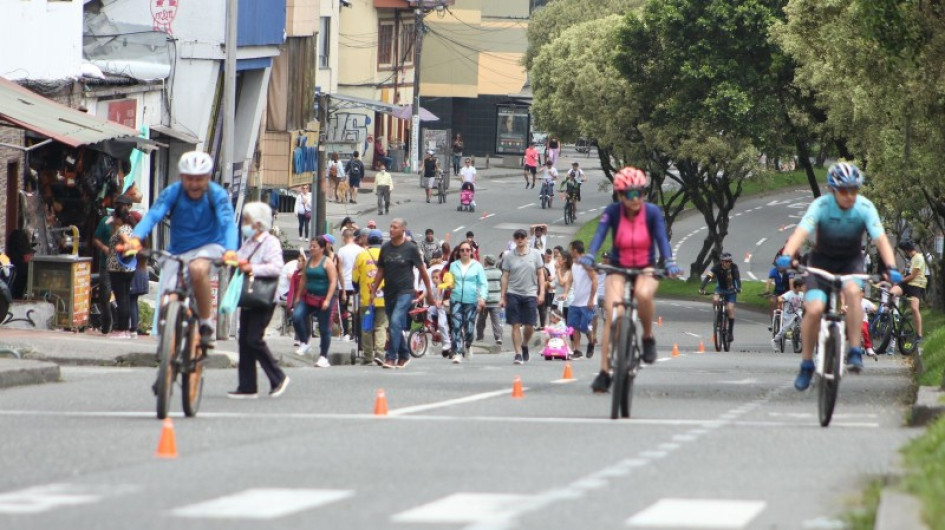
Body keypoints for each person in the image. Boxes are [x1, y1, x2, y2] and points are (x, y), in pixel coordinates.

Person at [776, 162, 900, 390]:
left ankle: (854, 351)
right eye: (844, 191)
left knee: (853, 293)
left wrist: (891, 266)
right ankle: (806, 364)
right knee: (814, 309)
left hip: (851, 261)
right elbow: (801, 232)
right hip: (821, 262)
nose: (850, 196)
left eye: (854, 190)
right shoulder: (821, 206)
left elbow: (881, 239)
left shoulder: (865, 207)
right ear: (833, 190)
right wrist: (787, 255)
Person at [124, 151, 239, 348]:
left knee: (197, 269)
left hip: (210, 247)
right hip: (178, 251)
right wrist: (135, 238)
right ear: (181, 177)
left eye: (199, 179)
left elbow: (228, 224)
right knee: (167, 297)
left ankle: (205, 323)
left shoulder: (217, 194)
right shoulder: (173, 192)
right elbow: (153, 215)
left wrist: (230, 250)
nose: (194, 184)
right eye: (189, 178)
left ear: (208, 177)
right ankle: (169, 343)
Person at [582, 167, 680, 393]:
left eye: (640, 193)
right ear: (619, 195)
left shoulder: (652, 212)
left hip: (645, 266)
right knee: (612, 314)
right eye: (630, 194)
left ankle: (647, 337)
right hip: (618, 267)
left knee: (644, 295)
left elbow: (662, 239)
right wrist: (590, 254)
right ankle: (604, 372)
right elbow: (599, 234)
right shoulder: (612, 212)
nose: (636, 199)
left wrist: (669, 261)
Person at [229, 202, 289, 399]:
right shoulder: (249, 242)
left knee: (254, 339)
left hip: (264, 296)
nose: (245, 224)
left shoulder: (270, 242)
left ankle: (278, 377)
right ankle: (247, 386)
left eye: (247, 220)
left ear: (258, 223)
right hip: (248, 294)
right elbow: (240, 258)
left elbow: (277, 267)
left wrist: (252, 268)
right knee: (244, 341)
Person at [369, 218, 435, 369]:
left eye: (395, 227)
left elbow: (423, 271)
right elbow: (380, 271)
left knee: (394, 322)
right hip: (389, 292)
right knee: (395, 325)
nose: (391, 229)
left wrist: (429, 292)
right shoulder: (385, 248)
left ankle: (391, 357)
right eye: (390, 227)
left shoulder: (410, 248)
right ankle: (404, 354)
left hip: (405, 292)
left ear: (402, 230)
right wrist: (373, 291)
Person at [500, 228, 546, 365]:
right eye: (517, 237)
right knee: (515, 324)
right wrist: (502, 296)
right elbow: (505, 276)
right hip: (513, 292)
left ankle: (525, 344)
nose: (520, 239)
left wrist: (542, 292)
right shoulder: (509, 256)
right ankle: (518, 353)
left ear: (527, 239)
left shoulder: (535, 254)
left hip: (530, 293)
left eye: (522, 237)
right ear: (514, 239)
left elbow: (540, 274)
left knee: (529, 325)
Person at [292, 235, 338, 367]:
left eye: (314, 246)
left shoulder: (327, 262)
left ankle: (323, 357)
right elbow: (303, 279)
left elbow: (333, 281)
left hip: (323, 298)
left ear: (322, 248)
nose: (311, 248)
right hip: (309, 297)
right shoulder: (308, 261)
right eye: (311, 246)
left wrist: (328, 300)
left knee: (324, 328)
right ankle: (304, 342)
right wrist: (297, 297)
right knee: (296, 317)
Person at [104, 195, 139, 339]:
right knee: (125, 298)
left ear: (118, 218)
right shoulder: (130, 228)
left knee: (121, 299)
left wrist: (122, 250)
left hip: (118, 269)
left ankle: (122, 329)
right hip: (128, 268)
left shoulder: (122, 230)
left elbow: (128, 244)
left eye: (114, 216)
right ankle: (126, 329)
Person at [353, 229, 389, 366]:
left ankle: (368, 356)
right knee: (380, 326)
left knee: (366, 327)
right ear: (381, 241)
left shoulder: (361, 255)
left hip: (366, 298)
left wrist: (358, 289)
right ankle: (380, 353)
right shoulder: (387, 254)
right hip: (383, 297)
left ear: (368, 240)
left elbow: (354, 279)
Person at [448, 240, 488, 363]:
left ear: (471, 252)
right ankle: (458, 352)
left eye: (467, 250)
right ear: (459, 252)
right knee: (456, 326)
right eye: (462, 250)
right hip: (456, 299)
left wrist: (482, 298)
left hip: (471, 300)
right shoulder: (453, 265)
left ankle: (468, 344)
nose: (465, 252)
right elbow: (450, 280)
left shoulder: (477, 266)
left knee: (469, 328)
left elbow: (483, 283)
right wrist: (448, 285)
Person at [889, 240, 926, 346]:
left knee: (914, 308)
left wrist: (900, 280)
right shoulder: (910, 259)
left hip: (916, 285)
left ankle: (919, 335)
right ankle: (889, 316)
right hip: (906, 283)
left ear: (906, 250)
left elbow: (912, 276)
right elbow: (905, 272)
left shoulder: (919, 258)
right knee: (891, 292)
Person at [699, 252, 742, 343]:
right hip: (720, 288)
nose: (729, 263)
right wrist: (702, 288)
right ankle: (718, 316)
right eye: (726, 261)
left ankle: (730, 332)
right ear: (722, 262)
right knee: (715, 300)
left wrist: (738, 288)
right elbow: (708, 277)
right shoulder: (716, 267)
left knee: (730, 308)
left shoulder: (734, 267)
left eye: (730, 261)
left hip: (731, 289)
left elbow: (737, 278)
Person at [567, 240, 598, 359]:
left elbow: (594, 280)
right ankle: (577, 350)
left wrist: (591, 299)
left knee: (584, 328)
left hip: (587, 302)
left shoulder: (586, 263)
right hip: (575, 301)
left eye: (571, 249)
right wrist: (565, 293)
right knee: (574, 326)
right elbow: (570, 279)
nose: (570, 252)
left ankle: (591, 342)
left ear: (575, 250)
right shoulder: (574, 263)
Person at [336, 228, 363, 342]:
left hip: (345, 284)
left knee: (343, 309)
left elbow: (340, 270)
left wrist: (342, 289)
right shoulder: (361, 250)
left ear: (344, 238)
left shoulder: (341, 251)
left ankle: (346, 333)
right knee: (357, 309)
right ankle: (356, 333)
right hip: (357, 283)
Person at [476, 255, 504, 347]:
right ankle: (498, 337)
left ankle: (480, 336)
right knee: (496, 321)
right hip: (496, 300)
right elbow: (502, 285)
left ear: (486, 262)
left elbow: (479, 286)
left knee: (481, 320)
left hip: (485, 301)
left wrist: (479, 298)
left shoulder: (482, 272)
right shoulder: (499, 272)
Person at [771, 278, 805, 351]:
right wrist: (781, 299)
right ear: (797, 287)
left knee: (804, 322)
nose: (803, 288)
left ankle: (800, 337)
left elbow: (803, 303)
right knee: (785, 329)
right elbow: (780, 298)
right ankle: (775, 340)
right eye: (802, 286)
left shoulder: (801, 294)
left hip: (798, 312)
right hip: (789, 314)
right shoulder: (789, 294)